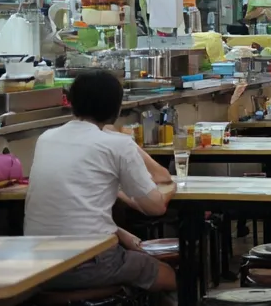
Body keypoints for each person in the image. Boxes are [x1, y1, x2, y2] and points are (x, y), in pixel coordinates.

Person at [25, 69, 176, 293]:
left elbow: (80, 209)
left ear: (72, 103)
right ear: (116, 108)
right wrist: (171, 188)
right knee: (169, 275)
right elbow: (155, 207)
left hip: (37, 265)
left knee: (131, 257)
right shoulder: (116, 145)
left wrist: (121, 233)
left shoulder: (45, 139)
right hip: (88, 262)